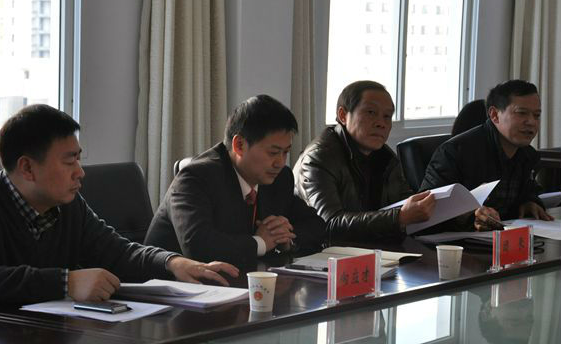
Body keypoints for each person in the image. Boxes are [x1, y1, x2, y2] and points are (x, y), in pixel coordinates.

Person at [0, 105, 238, 309]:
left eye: (79, 158)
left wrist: (172, 263)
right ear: (27, 168)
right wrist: (66, 282)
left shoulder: (68, 207)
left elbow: (118, 252)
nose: (80, 172)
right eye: (69, 161)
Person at [145, 95, 326, 266]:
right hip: (166, 283)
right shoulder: (196, 177)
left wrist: (285, 238)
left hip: (237, 279)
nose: (280, 162)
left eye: (285, 152)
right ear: (239, 145)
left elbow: (316, 226)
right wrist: (261, 243)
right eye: (273, 152)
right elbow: (198, 247)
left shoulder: (279, 178)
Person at [293, 80, 435, 244]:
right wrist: (398, 218)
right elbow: (329, 226)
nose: (381, 123)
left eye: (387, 116)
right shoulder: (318, 158)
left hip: (373, 250)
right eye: (371, 112)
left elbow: (404, 204)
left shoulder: (386, 158)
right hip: (322, 253)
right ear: (343, 115)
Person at [421, 80, 553, 231]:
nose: (531, 122)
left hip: (502, 238)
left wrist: (530, 202)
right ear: (495, 115)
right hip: (456, 241)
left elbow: (530, 191)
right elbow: (426, 211)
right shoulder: (453, 152)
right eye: (522, 113)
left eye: (536, 115)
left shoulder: (528, 155)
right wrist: (470, 217)